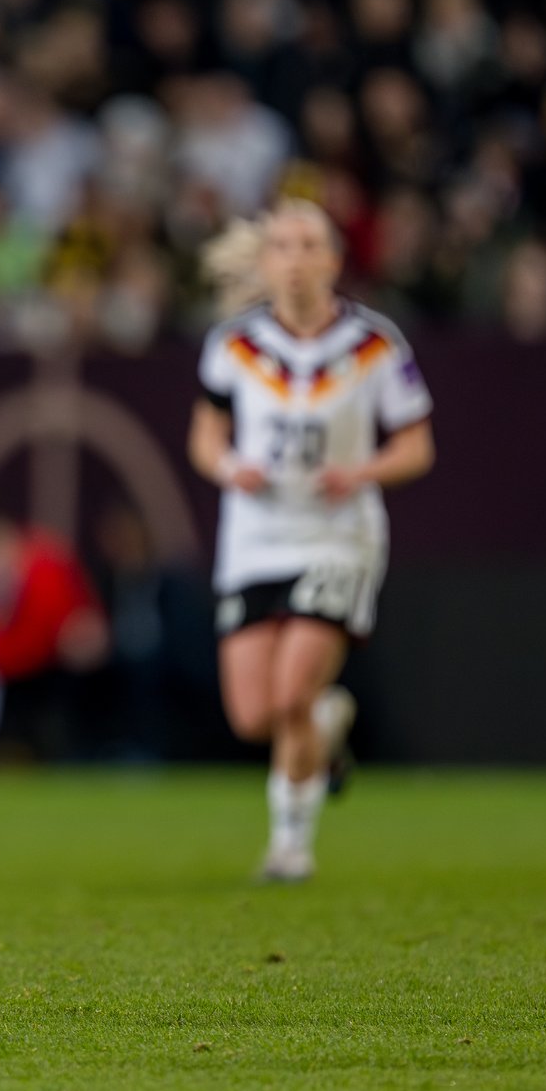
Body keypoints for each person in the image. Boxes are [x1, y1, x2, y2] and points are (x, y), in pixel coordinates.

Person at [187, 199, 435, 882]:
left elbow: (417, 446)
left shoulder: (373, 345)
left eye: (308, 245)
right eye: (282, 247)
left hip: (337, 536)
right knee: (253, 715)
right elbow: (205, 436)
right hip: (255, 536)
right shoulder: (234, 345)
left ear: (332, 258)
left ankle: (290, 846)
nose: (295, 260)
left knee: (292, 691)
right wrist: (229, 465)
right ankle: (328, 723)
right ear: (265, 263)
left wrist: (361, 471)